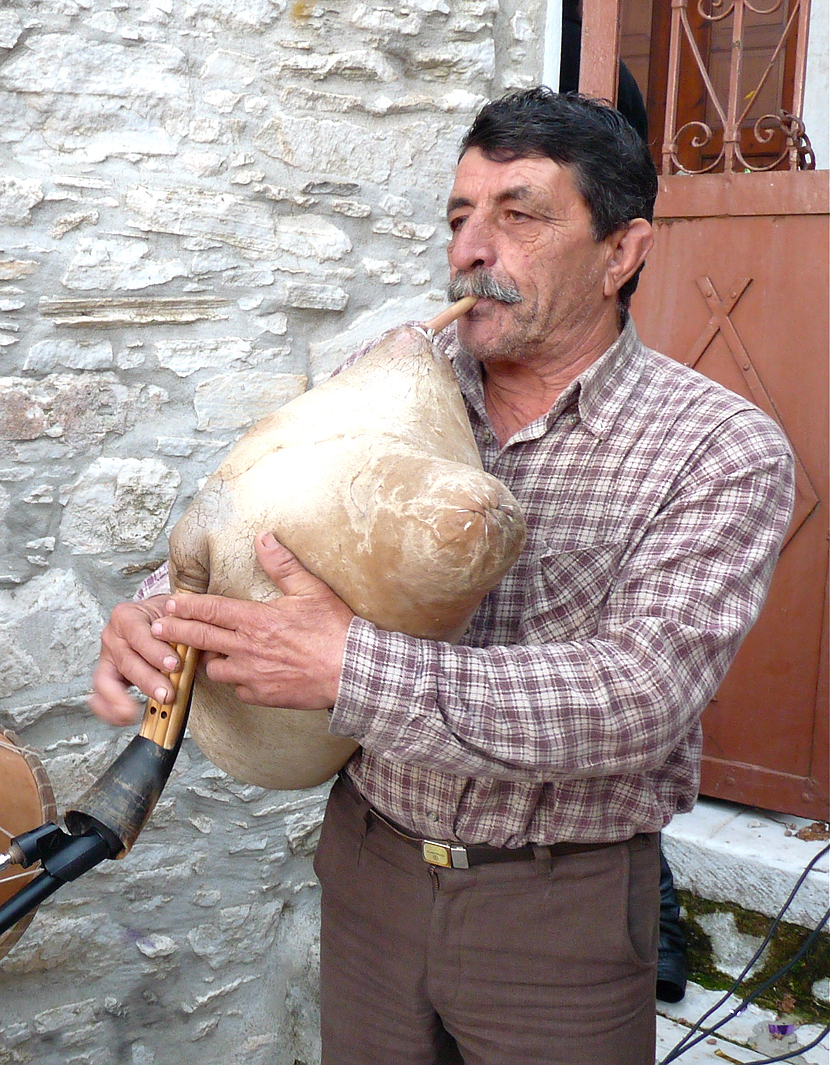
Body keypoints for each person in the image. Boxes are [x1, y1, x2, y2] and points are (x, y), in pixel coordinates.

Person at [89, 89, 794, 1064]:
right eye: (460, 217)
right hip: (368, 871)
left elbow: (639, 698)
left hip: (560, 910)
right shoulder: (387, 378)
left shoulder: (717, 448)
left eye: (519, 214)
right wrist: (161, 608)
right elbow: (261, 520)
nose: (472, 247)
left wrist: (349, 667)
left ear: (622, 253)